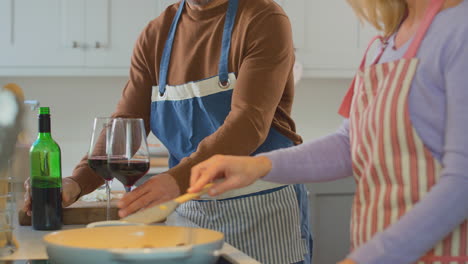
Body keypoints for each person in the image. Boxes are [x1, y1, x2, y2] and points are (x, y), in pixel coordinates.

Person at [23, 0, 312, 263]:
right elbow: (126, 124)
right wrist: (76, 182)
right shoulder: (156, 34)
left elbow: (248, 124)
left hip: (261, 214)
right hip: (191, 218)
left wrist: (176, 180)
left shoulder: (263, 18)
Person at [189, 0, 468, 263]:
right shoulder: (383, 45)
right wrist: (256, 166)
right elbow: (349, 143)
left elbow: (462, 183)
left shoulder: (459, 31)